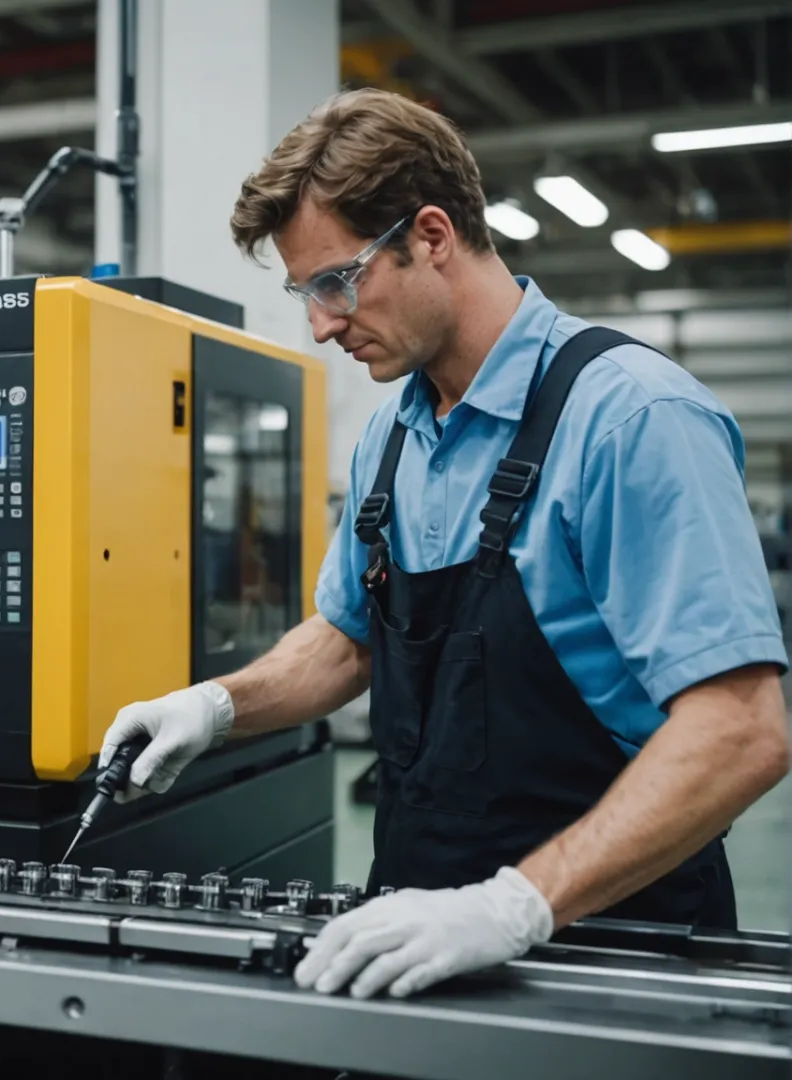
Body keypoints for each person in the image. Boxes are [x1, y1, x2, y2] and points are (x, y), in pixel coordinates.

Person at [99, 88, 789, 1001]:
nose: (321, 324)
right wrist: (216, 706)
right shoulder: (391, 437)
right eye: (304, 292)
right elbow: (347, 638)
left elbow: (741, 730)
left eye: (337, 282)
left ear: (430, 235)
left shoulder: (630, 418)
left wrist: (512, 907)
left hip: (618, 951)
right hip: (414, 941)